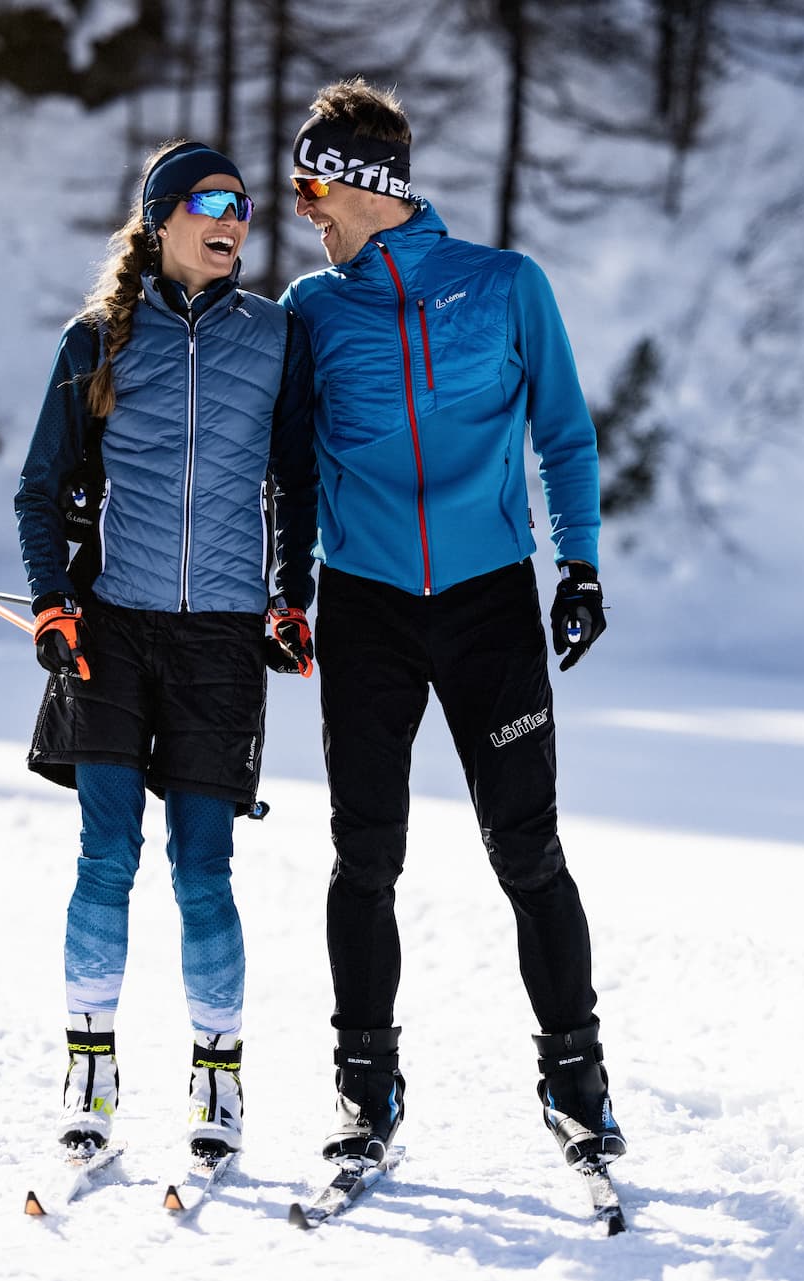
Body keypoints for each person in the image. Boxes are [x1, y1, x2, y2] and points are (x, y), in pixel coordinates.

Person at [278, 79, 624, 1171]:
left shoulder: (507, 287)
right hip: (368, 606)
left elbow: (564, 432)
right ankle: (363, 1090)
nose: (303, 209)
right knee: (363, 856)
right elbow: (289, 467)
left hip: (490, 605)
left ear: (364, 186)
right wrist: (289, 593)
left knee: (528, 853)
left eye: (311, 186)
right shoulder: (311, 311)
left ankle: (578, 1084)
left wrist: (580, 567)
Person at [14, 139, 317, 1164]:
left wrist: (291, 599)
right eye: (210, 201)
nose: (234, 218)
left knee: (203, 869)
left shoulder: (276, 336)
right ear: (161, 219)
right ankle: (90, 1067)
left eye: (243, 204)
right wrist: (55, 602)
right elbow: (38, 490)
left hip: (221, 640)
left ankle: (216, 1076)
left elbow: (296, 484)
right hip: (114, 629)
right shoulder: (98, 340)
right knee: (106, 857)